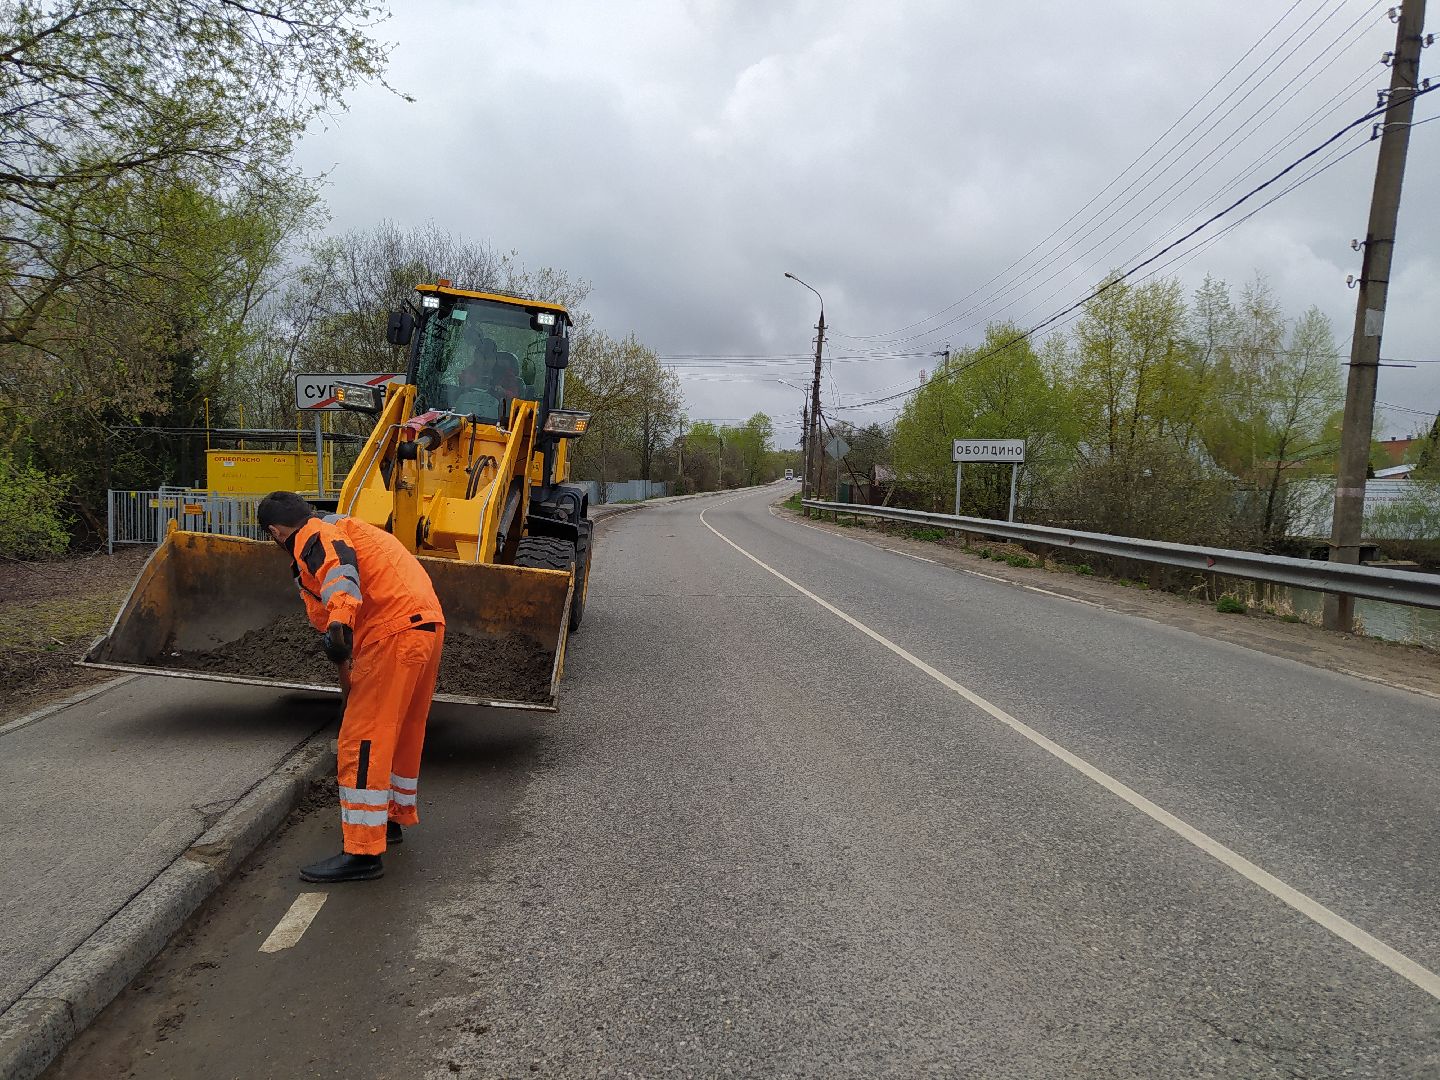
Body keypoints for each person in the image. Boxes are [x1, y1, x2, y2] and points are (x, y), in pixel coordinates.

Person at [257, 491, 446, 883]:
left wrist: (340, 622)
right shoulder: (347, 527)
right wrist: (344, 667)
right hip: (423, 626)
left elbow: (341, 575)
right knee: (402, 730)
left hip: (391, 631)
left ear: (275, 531)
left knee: (362, 739)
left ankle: (362, 851)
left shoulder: (314, 536)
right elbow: (335, 632)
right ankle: (390, 819)